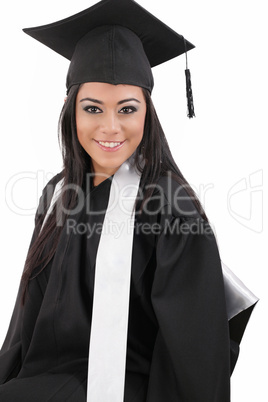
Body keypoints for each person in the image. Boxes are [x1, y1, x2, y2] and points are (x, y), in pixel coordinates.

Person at [0, 0, 258, 401]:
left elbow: (194, 354)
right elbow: (24, 325)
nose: (110, 127)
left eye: (127, 109)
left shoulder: (172, 206)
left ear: (147, 115)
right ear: (71, 113)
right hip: (44, 383)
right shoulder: (56, 195)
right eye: (92, 109)